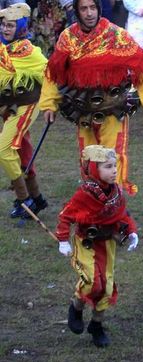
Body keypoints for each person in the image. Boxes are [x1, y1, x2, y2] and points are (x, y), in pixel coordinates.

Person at [39, 0, 143, 196]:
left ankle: (115, 200)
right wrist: (48, 105)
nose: (89, 13)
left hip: (112, 109)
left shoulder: (116, 35)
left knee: (113, 155)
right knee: (87, 155)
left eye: (93, 8)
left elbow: (141, 65)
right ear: (77, 12)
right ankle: (92, 198)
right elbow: (54, 72)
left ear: (99, 8)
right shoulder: (68, 38)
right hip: (82, 110)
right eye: (84, 8)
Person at [56, 145, 140, 348]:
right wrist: (63, 240)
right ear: (94, 169)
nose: (114, 171)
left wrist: (132, 232)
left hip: (107, 244)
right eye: (108, 166)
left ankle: (96, 324)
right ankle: (76, 306)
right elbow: (65, 216)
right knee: (92, 281)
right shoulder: (84, 195)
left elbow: (122, 215)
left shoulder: (116, 193)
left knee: (107, 286)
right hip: (87, 243)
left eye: (115, 166)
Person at [0, 3, 49, 218]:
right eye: (3, 25)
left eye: (10, 26)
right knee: (23, 151)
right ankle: (37, 199)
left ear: (19, 27)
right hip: (9, 106)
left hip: (27, 106)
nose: (5, 29)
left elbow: (50, 73)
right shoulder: (3, 47)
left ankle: (24, 197)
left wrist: (52, 103)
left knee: (4, 150)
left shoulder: (28, 51)